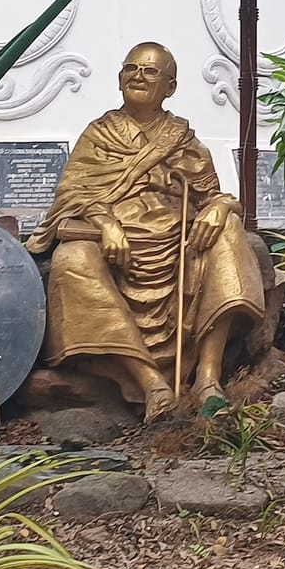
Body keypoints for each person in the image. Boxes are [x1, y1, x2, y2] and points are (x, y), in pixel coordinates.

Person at [29, 42, 266, 420]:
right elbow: (72, 194)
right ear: (119, 78)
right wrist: (106, 223)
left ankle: (207, 378)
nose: (138, 76)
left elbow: (213, 195)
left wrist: (219, 208)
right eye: (131, 68)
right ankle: (151, 383)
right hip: (115, 244)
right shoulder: (99, 134)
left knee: (228, 230)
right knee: (72, 258)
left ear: (170, 87)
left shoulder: (183, 141)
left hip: (175, 240)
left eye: (150, 71)